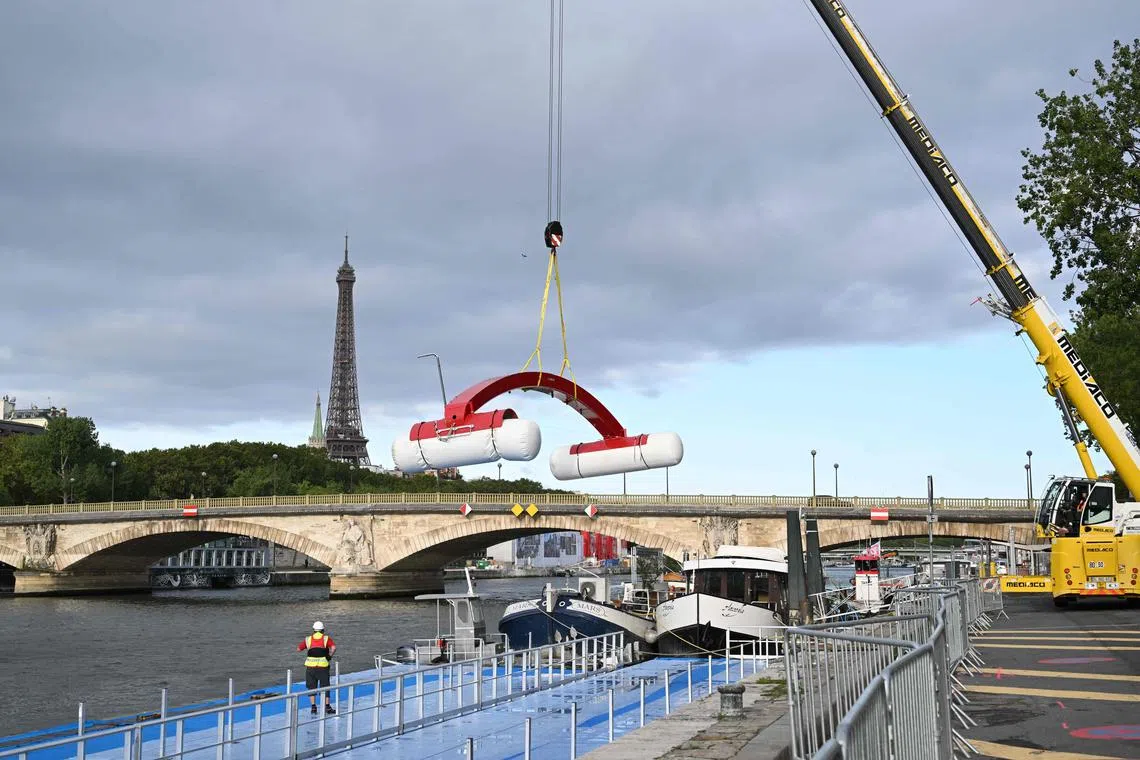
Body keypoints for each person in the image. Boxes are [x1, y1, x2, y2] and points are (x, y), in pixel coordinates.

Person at [297, 621, 336, 715]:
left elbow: (298, 649)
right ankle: (327, 707)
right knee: (325, 687)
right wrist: (329, 656)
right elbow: (333, 648)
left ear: (313, 630)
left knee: (312, 687)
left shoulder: (308, 639)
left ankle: (313, 707)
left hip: (310, 668)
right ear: (323, 630)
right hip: (323, 667)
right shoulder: (326, 639)